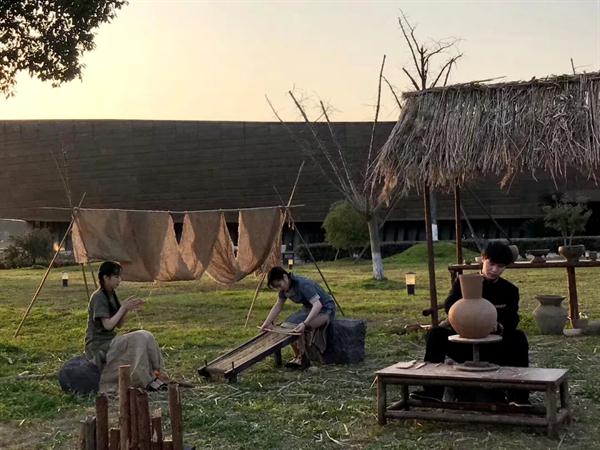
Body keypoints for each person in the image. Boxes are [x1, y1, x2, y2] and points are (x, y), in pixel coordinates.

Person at [415, 241, 529, 404]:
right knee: (435, 334)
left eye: (500, 266)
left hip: (493, 346)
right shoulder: (463, 283)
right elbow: (449, 306)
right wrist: (466, 315)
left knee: (519, 338)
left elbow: (512, 318)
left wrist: (498, 325)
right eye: (491, 264)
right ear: (483, 259)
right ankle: (432, 392)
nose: (494, 270)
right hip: (465, 344)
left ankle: (519, 398)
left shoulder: (509, 290)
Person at [84, 261, 167, 392]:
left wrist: (127, 309)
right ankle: (143, 380)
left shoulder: (112, 294)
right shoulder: (98, 296)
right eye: (116, 276)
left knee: (146, 335)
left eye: (120, 276)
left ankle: (158, 373)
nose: (119, 280)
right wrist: (123, 308)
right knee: (139, 338)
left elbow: (119, 324)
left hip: (110, 342)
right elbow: (108, 325)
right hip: (98, 347)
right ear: (106, 277)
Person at [261, 266, 336, 368]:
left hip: (325, 309)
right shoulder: (284, 289)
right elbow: (278, 305)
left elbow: (318, 305)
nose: (279, 289)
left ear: (285, 277)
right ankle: (297, 355)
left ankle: (304, 359)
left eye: (279, 285)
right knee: (287, 325)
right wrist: (266, 323)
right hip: (308, 309)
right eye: (276, 287)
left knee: (298, 328)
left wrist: (305, 323)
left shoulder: (303, 284)